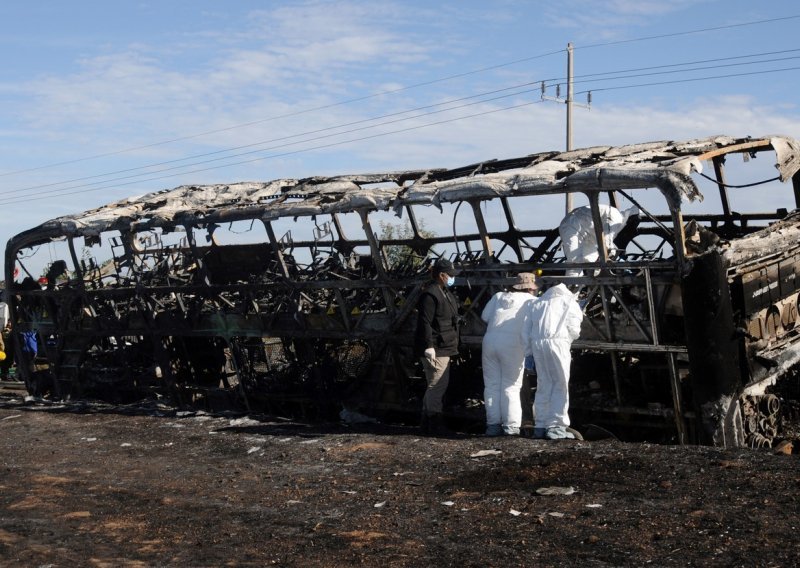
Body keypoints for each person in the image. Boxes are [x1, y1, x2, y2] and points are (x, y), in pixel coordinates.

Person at [523, 282, 583, 440]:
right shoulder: (569, 301)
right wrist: (566, 339)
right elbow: (575, 329)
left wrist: (528, 352)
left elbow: (526, 330)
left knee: (544, 384)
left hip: (537, 345)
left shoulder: (538, 302)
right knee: (560, 384)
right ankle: (557, 427)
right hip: (558, 343)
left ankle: (541, 425)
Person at [480, 272, 538, 436]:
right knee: (511, 387)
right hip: (513, 343)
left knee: (491, 385)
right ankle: (511, 427)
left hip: (490, 341)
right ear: (530, 288)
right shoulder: (532, 301)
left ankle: (493, 426)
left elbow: (485, 317)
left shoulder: (498, 296)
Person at [415, 258, 460, 435]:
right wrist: (429, 345)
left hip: (443, 344)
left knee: (434, 384)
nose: (452, 278)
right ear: (442, 275)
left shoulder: (443, 292)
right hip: (437, 346)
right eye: (450, 275)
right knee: (437, 385)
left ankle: (426, 423)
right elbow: (425, 321)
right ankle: (434, 422)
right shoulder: (431, 294)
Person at [559, 204, 638, 276]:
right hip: (572, 226)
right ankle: (570, 289)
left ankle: (589, 288)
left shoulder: (619, 224)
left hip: (588, 234)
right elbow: (607, 240)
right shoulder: (616, 218)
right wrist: (611, 253)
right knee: (575, 263)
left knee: (594, 266)